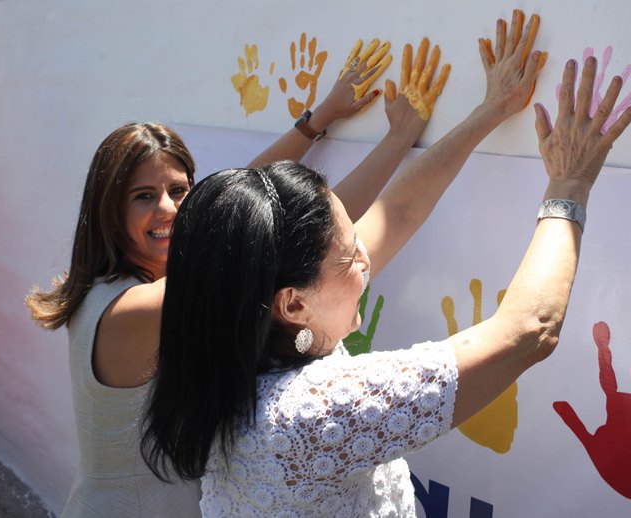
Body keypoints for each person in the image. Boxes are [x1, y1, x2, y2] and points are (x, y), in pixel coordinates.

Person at [143, 10, 631, 516]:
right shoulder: (310, 414)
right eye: (350, 253)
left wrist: (490, 110)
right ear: (292, 304)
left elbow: (396, 211)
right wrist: (570, 183)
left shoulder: (234, 346)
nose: (366, 257)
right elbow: (530, 329)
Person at [25, 39, 437, 517]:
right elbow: (268, 234)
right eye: (143, 196)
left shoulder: (117, 286)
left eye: (179, 191)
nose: (167, 209)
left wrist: (318, 120)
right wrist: (396, 141)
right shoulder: (131, 309)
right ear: (109, 211)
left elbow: (243, 215)